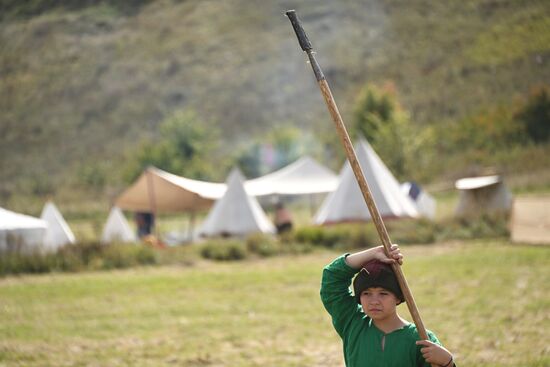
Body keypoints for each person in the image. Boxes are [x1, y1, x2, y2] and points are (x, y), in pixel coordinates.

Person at [320, 244, 456, 367]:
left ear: (398, 297)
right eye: (366, 293)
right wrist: (374, 252)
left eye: (383, 293)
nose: (374, 301)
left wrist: (447, 362)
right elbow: (332, 278)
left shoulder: (420, 339)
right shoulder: (352, 323)